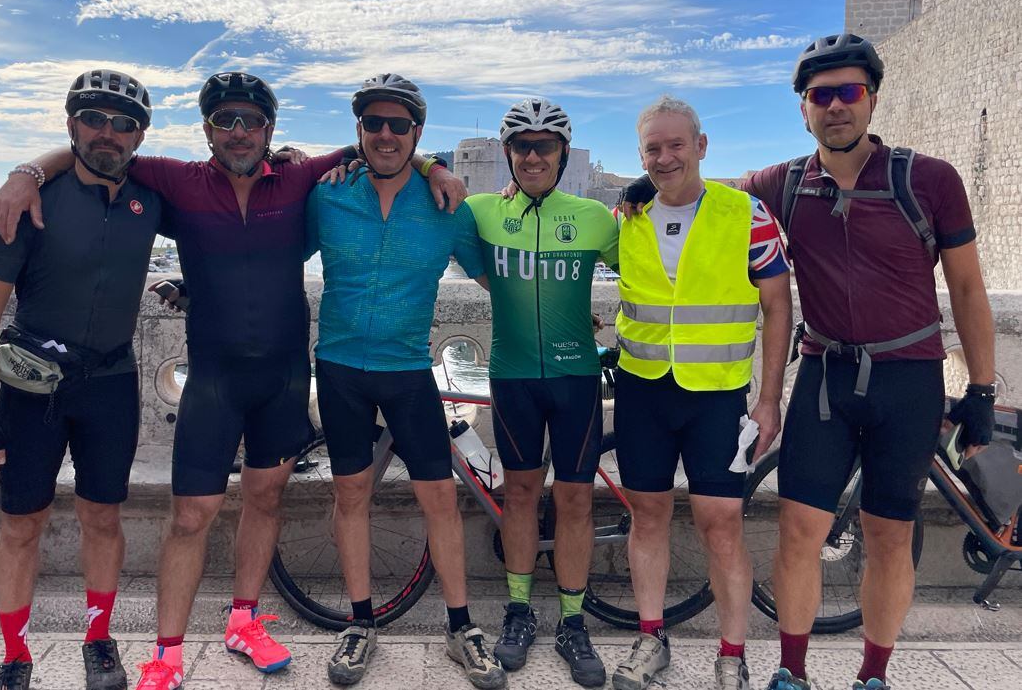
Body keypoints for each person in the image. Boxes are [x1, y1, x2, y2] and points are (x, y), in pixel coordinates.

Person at [0, 71, 467, 690]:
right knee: (193, 514)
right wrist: (25, 172)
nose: (238, 132)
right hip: (213, 376)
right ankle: (165, 653)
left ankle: (243, 620)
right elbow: (102, 151)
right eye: (224, 120)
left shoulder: (298, 178)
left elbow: (374, 145)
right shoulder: (177, 181)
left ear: (270, 129)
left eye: (250, 120)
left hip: (284, 374)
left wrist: (435, 170)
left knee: (265, 498)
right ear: (207, 129)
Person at [739, 35, 994, 690]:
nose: (834, 107)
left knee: (886, 533)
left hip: (907, 378)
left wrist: (982, 389)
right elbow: (706, 201)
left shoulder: (928, 179)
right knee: (798, 527)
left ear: (871, 99)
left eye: (848, 92)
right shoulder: (781, 183)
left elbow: (966, 288)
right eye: (819, 96)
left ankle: (872, 675)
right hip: (824, 375)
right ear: (802, 109)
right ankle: (790, 672)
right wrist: (642, 183)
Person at [0, 69, 162, 690]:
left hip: (110, 382)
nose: (109, 133)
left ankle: (99, 642)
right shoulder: (31, 203)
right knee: (23, 522)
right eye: (95, 118)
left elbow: (224, 198)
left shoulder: (150, 197)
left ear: (139, 136)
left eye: (124, 123)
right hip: (29, 386)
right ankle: (15, 654)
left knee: (104, 519)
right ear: (71, 123)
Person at [307, 74, 505, 690]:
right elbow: (262, 252)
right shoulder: (328, 195)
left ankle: (461, 627)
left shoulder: (447, 204)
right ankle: (361, 623)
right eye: (374, 124)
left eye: (399, 125)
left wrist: (561, 328)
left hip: (407, 370)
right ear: (358, 132)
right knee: (350, 495)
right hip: (338, 368)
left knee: (439, 500)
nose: (386, 134)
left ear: (417, 133)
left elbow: (492, 279)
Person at [611, 96, 792, 690]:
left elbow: (776, 305)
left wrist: (769, 399)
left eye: (675, 145)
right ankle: (650, 637)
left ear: (701, 146)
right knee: (649, 516)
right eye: (652, 149)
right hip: (642, 393)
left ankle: (732, 654)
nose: (665, 158)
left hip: (716, 395)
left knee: (722, 524)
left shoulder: (747, 213)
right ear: (641, 157)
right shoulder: (628, 216)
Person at [463, 99, 618, 687]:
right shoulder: (480, 210)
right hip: (512, 375)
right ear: (507, 153)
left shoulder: (596, 216)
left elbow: (651, 267)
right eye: (522, 146)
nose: (533, 155)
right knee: (521, 492)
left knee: (575, 500)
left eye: (545, 146)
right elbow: (427, 208)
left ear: (560, 153)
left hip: (576, 378)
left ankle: (573, 622)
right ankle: (519, 613)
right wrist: (431, 168)